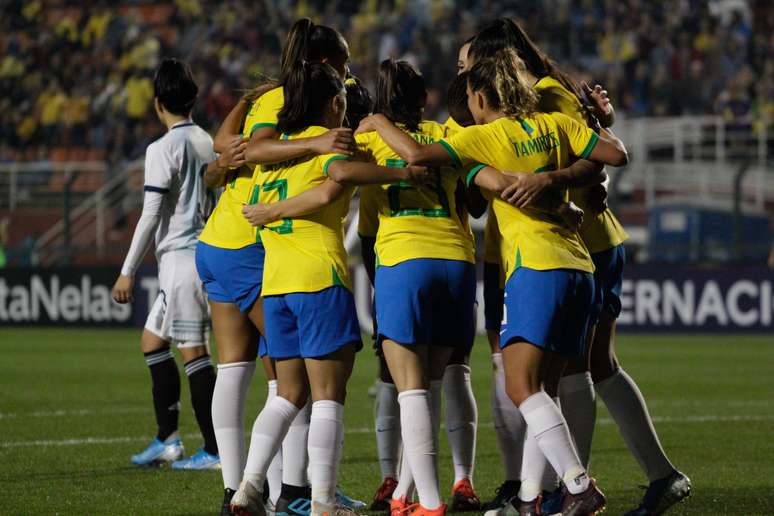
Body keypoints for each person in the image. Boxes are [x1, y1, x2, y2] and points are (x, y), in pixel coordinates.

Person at [356, 48, 629, 515]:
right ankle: (528, 498)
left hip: (532, 267)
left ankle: (578, 485)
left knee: (521, 388)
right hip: (579, 266)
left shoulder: (482, 137)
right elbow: (615, 153)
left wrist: (378, 123)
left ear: (480, 97)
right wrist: (558, 180)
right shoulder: (555, 125)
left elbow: (422, 157)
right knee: (543, 390)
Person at [469, 19, 691, 516]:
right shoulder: (535, 102)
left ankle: (569, 488)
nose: (468, 76)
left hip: (582, 243)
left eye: (474, 64)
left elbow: (599, 171)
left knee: (572, 370)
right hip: (561, 245)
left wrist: (550, 182)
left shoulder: (549, 97)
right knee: (586, 367)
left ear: (505, 64)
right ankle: (581, 487)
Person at [229, 60, 432, 516]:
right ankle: (323, 501)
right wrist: (401, 174)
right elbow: (336, 182)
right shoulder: (333, 147)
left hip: (277, 284)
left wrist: (275, 209)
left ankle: (248, 488)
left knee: (286, 394)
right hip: (319, 279)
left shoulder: (274, 153)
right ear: (335, 103)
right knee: (327, 397)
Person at [197, 18, 361, 515]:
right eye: (344, 63)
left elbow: (221, 152)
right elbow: (238, 152)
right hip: (259, 245)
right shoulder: (291, 103)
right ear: (324, 64)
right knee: (295, 380)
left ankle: (242, 489)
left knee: (238, 367)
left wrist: (227, 160)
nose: (349, 74)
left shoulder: (271, 96)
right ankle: (296, 492)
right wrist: (315, 145)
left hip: (224, 238)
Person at [111, 58, 219, 471]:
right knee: (153, 342)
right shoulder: (207, 140)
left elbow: (151, 213)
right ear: (192, 99)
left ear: (158, 104)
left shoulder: (162, 148)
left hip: (181, 261)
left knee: (194, 351)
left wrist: (127, 269)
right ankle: (168, 439)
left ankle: (213, 449)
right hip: (200, 254)